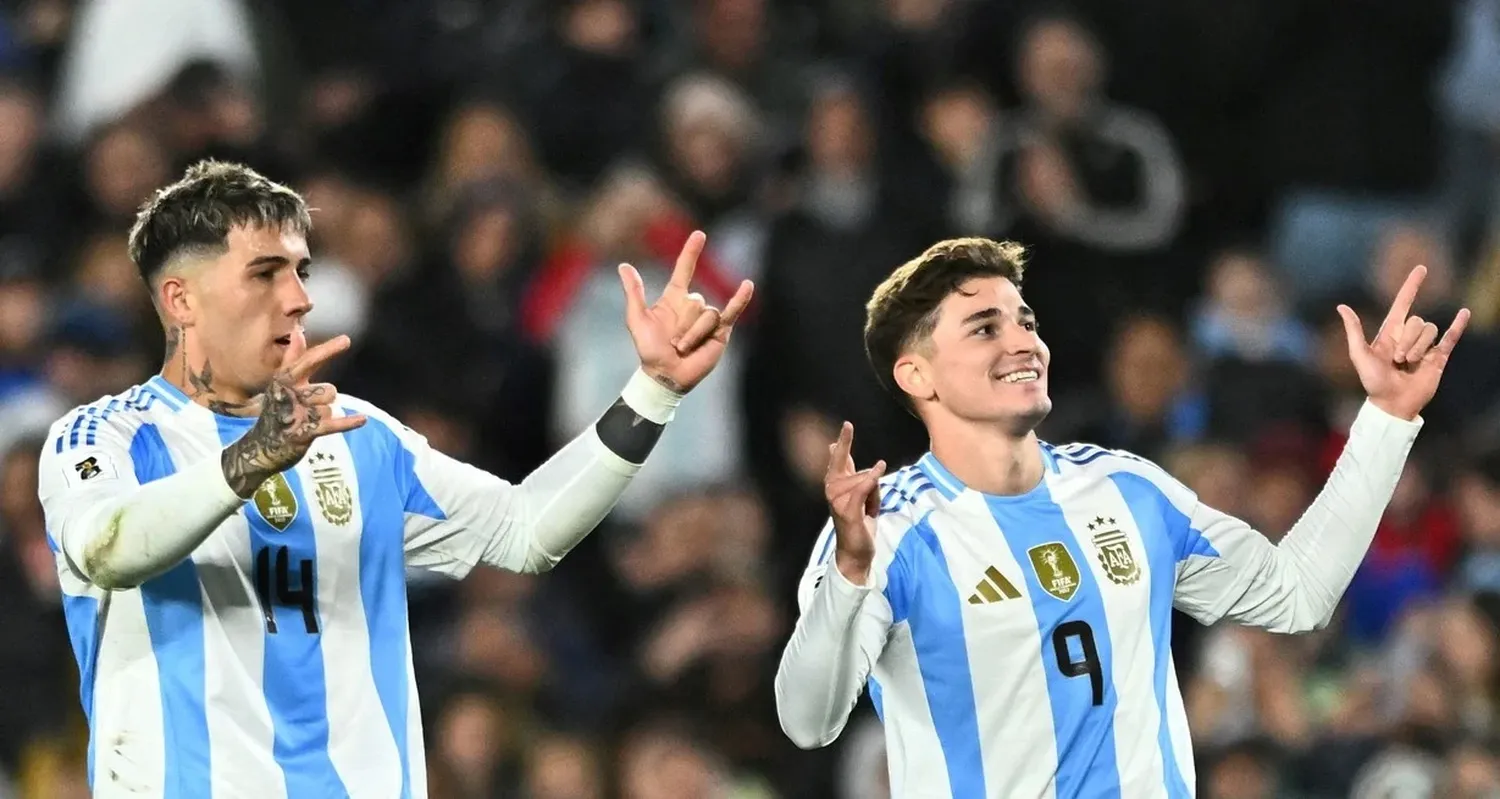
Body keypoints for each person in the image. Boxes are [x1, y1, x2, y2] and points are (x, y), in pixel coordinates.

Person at [35, 159, 753, 797]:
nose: (298, 298)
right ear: (180, 300)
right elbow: (107, 547)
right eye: (264, 273)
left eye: (300, 271)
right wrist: (252, 457)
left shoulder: (357, 437)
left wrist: (653, 391)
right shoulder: (106, 436)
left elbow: (525, 529)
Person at [773, 237, 1467, 797]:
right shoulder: (883, 531)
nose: (1023, 342)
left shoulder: (1125, 487)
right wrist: (850, 575)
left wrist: (1385, 419)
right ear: (916, 375)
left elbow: (1295, 593)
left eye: (1026, 321)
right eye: (986, 328)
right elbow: (808, 720)